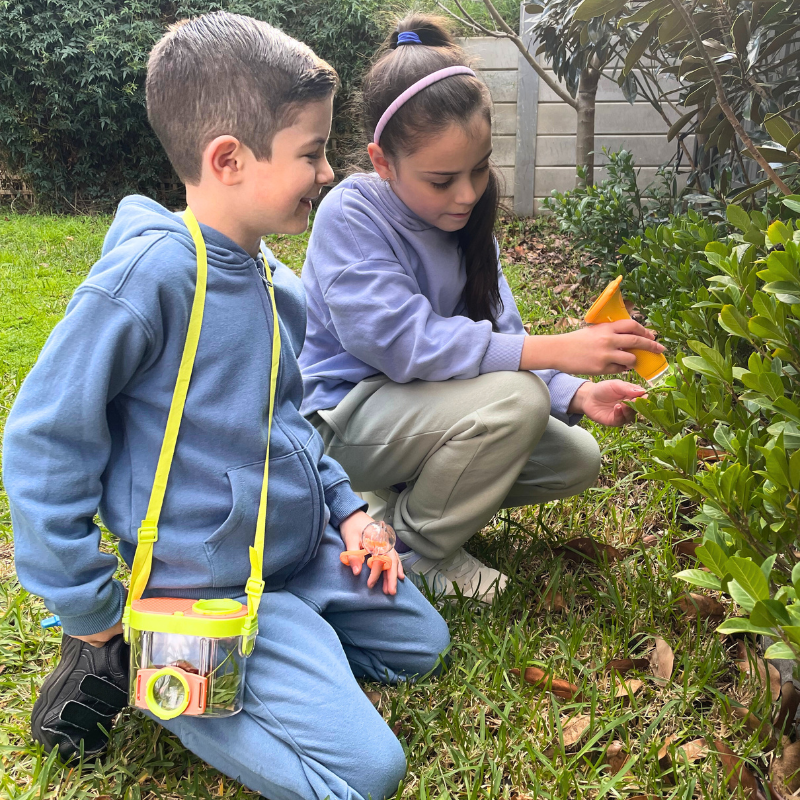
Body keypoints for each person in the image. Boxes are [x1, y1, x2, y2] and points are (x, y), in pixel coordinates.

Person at [2, 13, 449, 800]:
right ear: (228, 159)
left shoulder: (280, 284)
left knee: (422, 643)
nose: (326, 174)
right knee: (371, 772)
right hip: (203, 586)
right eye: (311, 153)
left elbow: (291, 425)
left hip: (295, 554)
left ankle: (290, 637)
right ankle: (159, 667)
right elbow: (43, 442)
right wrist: (89, 605)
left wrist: (347, 513)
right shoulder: (148, 281)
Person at [299, 14, 664, 604]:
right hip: (341, 420)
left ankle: (391, 508)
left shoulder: (467, 221)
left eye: (477, 169)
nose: (466, 194)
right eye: (442, 179)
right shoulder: (352, 213)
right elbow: (403, 344)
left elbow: (501, 332)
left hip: (420, 418)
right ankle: (414, 553)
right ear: (383, 161)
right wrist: (556, 349)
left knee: (574, 459)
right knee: (516, 402)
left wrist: (573, 393)